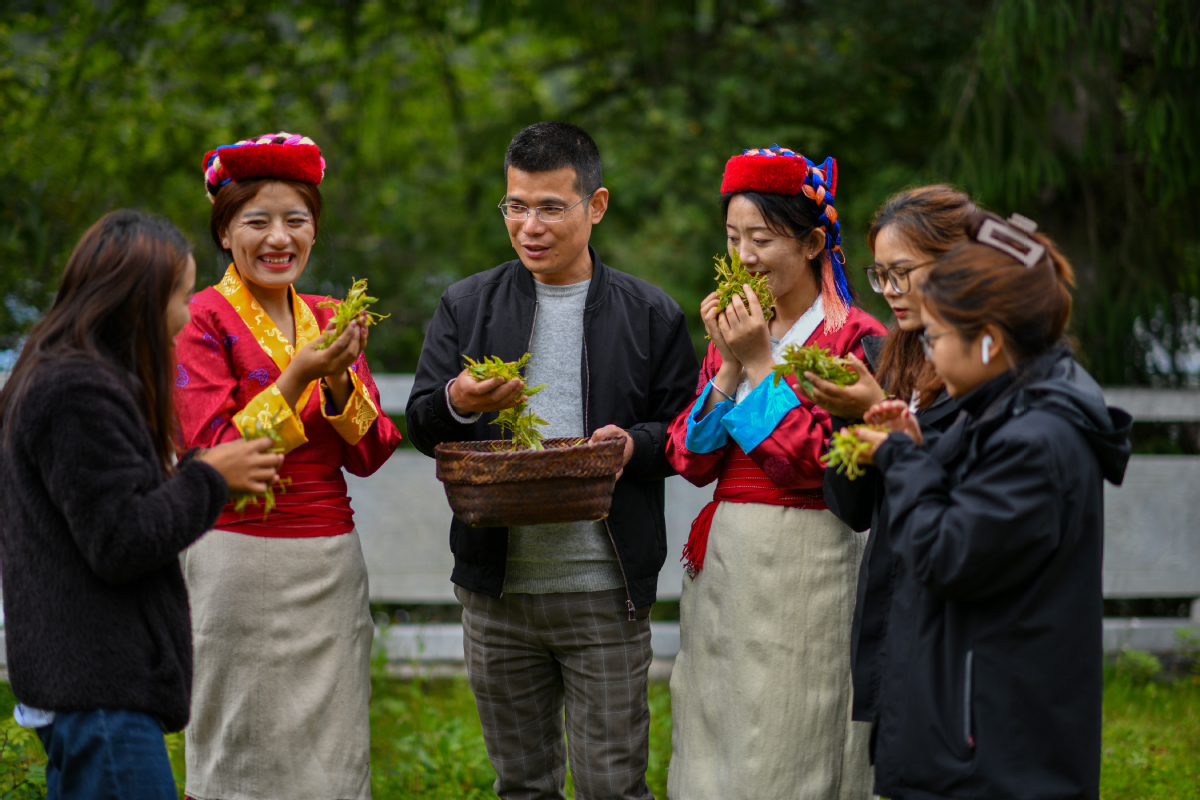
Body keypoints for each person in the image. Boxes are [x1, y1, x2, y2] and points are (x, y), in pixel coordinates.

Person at [405, 121, 699, 800]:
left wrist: (635, 445)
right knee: (523, 786)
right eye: (516, 205)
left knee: (612, 786)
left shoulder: (649, 313)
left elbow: (685, 431)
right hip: (497, 591)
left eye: (550, 207)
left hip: (604, 589)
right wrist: (459, 398)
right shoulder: (467, 305)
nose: (529, 225)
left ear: (595, 206)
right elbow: (423, 421)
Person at [0, 209, 281, 799]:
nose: (187, 312)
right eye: (180, 294)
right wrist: (210, 476)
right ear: (140, 300)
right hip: (99, 695)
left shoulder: (59, 373)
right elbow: (122, 538)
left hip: (88, 692)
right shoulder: (78, 390)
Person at [854, 211, 1131, 799]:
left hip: (992, 756)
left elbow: (944, 554)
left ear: (989, 339)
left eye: (936, 336)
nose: (927, 348)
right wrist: (914, 445)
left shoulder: (1036, 439)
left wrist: (903, 461)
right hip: (970, 737)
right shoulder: (1004, 412)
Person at [174, 132, 402, 800]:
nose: (279, 238)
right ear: (225, 233)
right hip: (237, 558)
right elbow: (213, 449)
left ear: (314, 231)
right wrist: (303, 373)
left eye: (296, 220)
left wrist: (337, 385)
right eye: (258, 221)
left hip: (329, 557)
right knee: (235, 743)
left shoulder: (332, 318)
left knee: (330, 753)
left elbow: (372, 450)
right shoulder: (199, 319)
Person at [664, 145, 887, 799]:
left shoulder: (854, 338)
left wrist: (760, 362)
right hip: (729, 559)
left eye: (761, 238)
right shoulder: (737, 334)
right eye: (733, 238)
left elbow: (814, 465)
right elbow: (691, 459)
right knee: (720, 723)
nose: (744, 256)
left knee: (794, 725)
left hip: (811, 556)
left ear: (815, 241)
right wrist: (731, 366)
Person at [813, 185, 977, 741]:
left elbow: (970, 491)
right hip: (893, 603)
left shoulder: (987, 374)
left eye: (902, 272)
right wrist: (850, 419)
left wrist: (885, 430)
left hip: (956, 615)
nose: (889, 292)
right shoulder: (889, 359)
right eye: (880, 275)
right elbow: (853, 508)